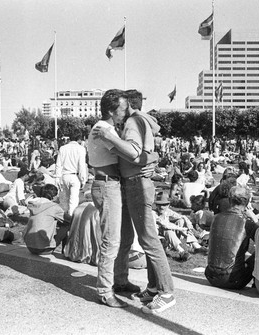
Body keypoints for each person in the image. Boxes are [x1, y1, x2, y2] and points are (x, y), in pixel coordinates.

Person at [92, 89, 175, 314]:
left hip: (136, 183)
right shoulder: (139, 121)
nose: (121, 112)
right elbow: (140, 154)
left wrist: (112, 138)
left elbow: (135, 153)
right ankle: (153, 287)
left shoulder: (132, 123)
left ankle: (166, 292)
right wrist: (152, 159)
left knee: (148, 239)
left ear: (128, 105)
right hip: (131, 183)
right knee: (134, 237)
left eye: (122, 107)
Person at [87, 89, 144, 308]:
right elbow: (131, 153)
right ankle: (104, 290)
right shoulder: (104, 129)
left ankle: (120, 280)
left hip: (113, 184)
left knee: (124, 238)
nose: (126, 112)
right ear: (111, 110)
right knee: (111, 240)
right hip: (107, 185)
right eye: (122, 108)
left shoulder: (108, 127)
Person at [205, 186, 259, 289]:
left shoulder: (216, 218)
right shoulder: (246, 223)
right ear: (247, 202)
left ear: (229, 200)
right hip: (233, 280)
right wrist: (254, 218)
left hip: (210, 275)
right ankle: (257, 285)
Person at [153, 192, 200, 261]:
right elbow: (165, 225)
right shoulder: (153, 213)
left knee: (181, 220)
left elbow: (181, 216)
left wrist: (189, 225)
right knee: (168, 231)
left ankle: (195, 245)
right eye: (159, 205)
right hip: (158, 239)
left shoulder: (167, 211)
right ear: (156, 205)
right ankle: (181, 251)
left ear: (168, 205)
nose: (161, 207)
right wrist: (181, 229)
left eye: (164, 205)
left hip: (168, 240)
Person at [23, 184, 69, 255]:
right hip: (44, 249)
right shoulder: (53, 207)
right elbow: (70, 220)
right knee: (67, 226)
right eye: (57, 195)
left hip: (30, 247)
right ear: (53, 196)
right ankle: (65, 252)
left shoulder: (34, 204)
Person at [54, 130, 88, 219]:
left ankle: (69, 216)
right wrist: (83, 179)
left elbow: (58, 164)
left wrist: (57, 177)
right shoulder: (81, 149)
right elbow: (81, 165)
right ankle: (72, 218)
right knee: (73, 200)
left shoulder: (63, 148)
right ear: (79, 139)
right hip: (75, 176)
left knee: (68, 198)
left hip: (65, 175)